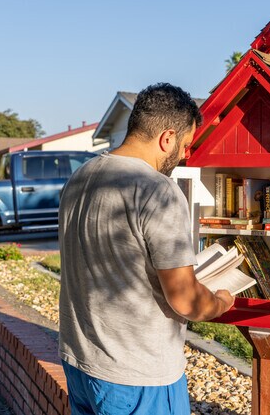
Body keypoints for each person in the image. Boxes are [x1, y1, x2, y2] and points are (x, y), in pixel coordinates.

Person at [58, 83, 235, 415]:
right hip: (138, 376)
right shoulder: (157, 191)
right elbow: (186, 300)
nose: (184, 154)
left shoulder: (80, 177)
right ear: (166, 138)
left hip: (81, 363)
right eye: (184, 145)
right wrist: (222, 302)